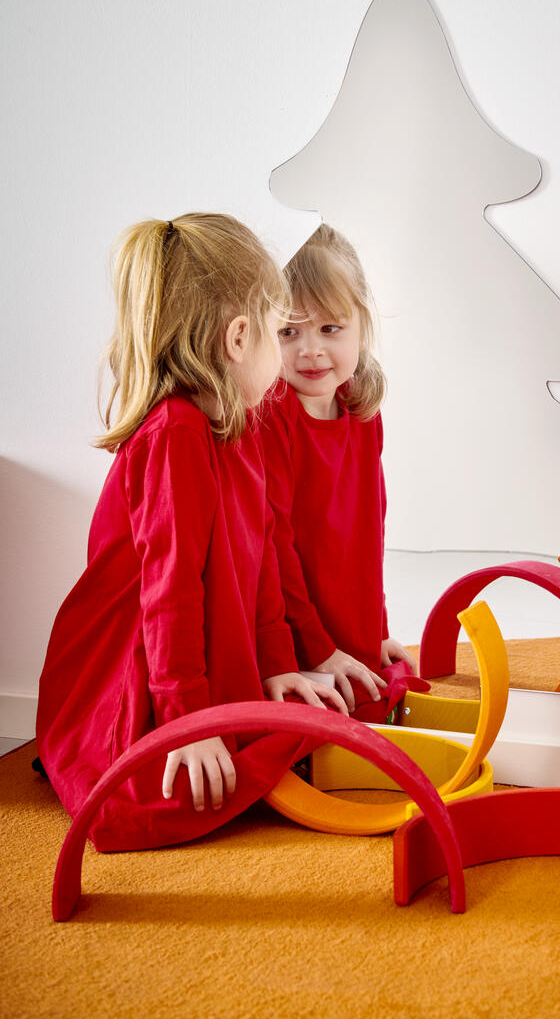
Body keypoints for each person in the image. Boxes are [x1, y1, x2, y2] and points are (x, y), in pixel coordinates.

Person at [36, 213, 346, 853]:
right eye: (277, 332)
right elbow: (168, 592)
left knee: (321, 717)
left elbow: (262, 555)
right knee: (163, 798)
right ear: (239, 338)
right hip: (142, 658)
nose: (285, 355)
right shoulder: (176, 433)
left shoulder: (240, 425)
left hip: (203, 646)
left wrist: (276, 665)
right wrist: (187, 722)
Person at [260, 224, 420, 721]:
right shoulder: (273, 412)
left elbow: (369, 532)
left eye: (330, 329)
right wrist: (317, 648)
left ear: (361, 328)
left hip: (337, 610)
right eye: (288, 332)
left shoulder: (360, 407)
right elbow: (274, 544)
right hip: (289, 624)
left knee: (375, 700)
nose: (310, 350)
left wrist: (375, 629)